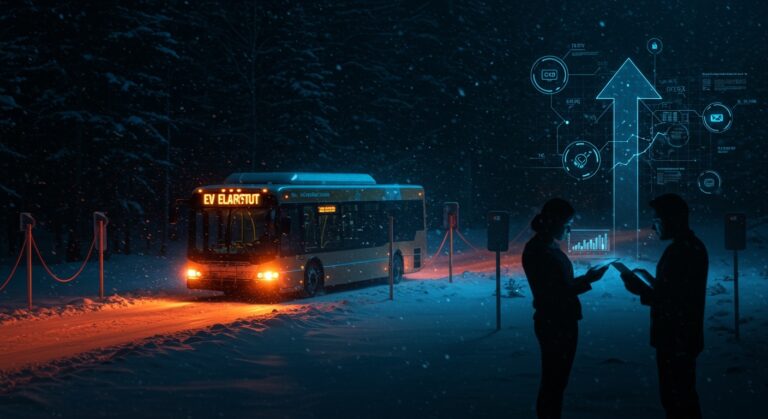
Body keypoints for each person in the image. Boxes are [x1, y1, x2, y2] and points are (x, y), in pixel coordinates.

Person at [621, 193, 708, 419]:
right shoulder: (690, 247)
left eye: (657, 220)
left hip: (675, 337)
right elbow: (675, 292)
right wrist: (651, 282)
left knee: (677, 399)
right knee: (682, 396)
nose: (653, 226)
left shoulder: (682, 251)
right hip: (682, 336)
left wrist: (639, 288)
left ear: (673, 220)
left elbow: (673, 300)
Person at [522, 198, 609, 419]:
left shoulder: (546, 247)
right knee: (554, 382)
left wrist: (585, 279)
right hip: (555, 322)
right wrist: (588, 279)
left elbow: (559, 288)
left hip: (559, 319)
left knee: (555, 381)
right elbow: (555, 293)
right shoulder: (540, 251)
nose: (569, 229)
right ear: (554, 221)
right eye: (567, 223)